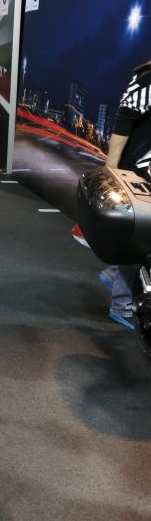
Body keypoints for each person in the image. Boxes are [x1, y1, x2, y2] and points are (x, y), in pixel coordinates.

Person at [101, 58, 151, 328]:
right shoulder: (147, 78)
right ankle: (121, 304)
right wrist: (111, 169)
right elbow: (124, 117)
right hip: (139, 172)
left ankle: (115, 275)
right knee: (142, 237)